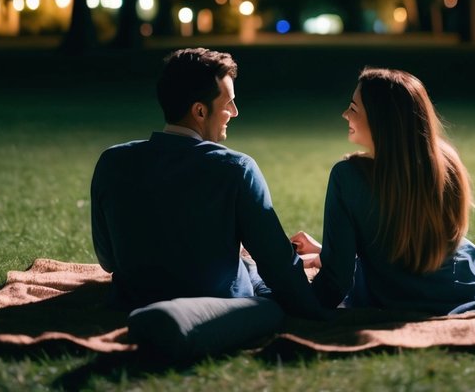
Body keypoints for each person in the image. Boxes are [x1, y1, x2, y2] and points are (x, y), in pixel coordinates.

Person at [90, 47, 324, 360]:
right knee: (271, 304)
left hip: (133, 298)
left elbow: (108, 260)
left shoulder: (112, 162)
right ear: (200, 111)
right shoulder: (236, 169)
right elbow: (280, 268)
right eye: (228, 103)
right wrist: (317, 310)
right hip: (217, 305)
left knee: (248, 265)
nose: (235, 112)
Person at [291, 66, 475, 315]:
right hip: (463, 284)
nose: (345, 114)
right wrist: (325, 252)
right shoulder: (445, 161)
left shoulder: (349, 176)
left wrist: (296, 304)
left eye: (353, 108)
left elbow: (335, 281)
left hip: (398, 294)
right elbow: (413, 245)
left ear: (380, 119)